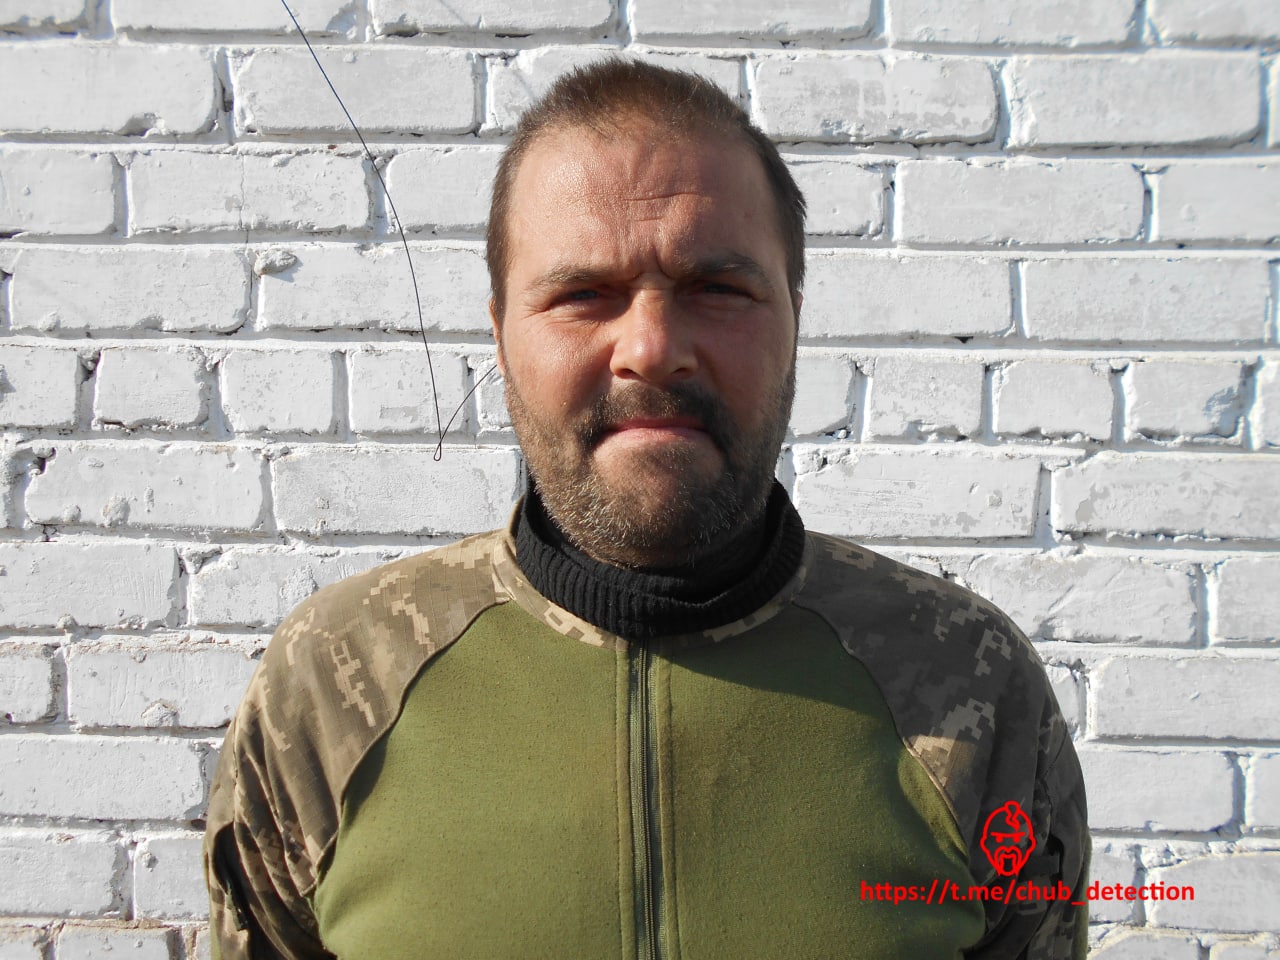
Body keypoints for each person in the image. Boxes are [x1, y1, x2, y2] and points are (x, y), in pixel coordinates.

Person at [204, 59, 1088, 959]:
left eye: (719, 289)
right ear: (500, 336)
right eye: (582, 294)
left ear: (794, 321)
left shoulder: (971, 681)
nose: (654, 348)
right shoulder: (333, 686)